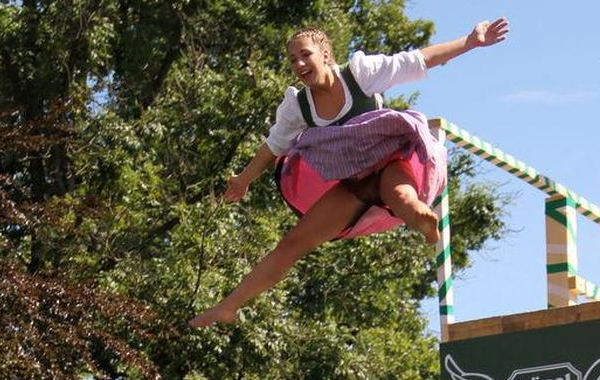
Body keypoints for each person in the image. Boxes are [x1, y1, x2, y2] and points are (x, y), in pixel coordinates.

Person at [189, 18, 510, 328]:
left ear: (325, 55)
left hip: (390, 161)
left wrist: (470, 43)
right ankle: (229, 306)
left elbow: (417, 61)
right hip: (352, 185)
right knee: (292, 243)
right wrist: (244, 180)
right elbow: (273, 146)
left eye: (305, 55)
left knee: (400, 195)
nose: (299, 64)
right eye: (292, 60)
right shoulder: (298, 106)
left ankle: (419, 217)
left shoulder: (360, 75)